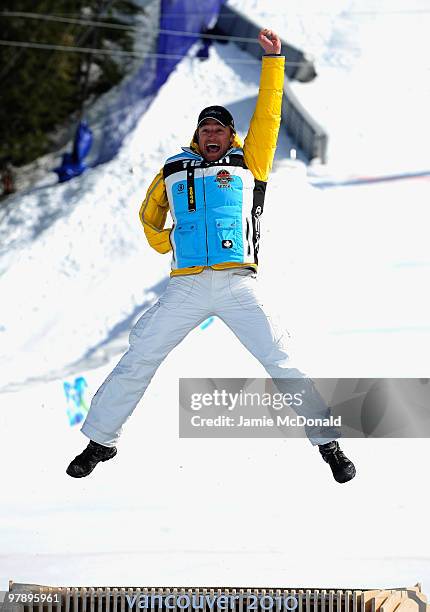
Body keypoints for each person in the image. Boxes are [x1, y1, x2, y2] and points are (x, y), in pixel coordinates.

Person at [67, 28, 356, 483]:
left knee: (281, 360)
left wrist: (274, 61)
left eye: (220, 128)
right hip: (186, 286)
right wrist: (167, 243)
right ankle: (101, 442)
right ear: (197, 135)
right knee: (140, 354)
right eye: (206, 128)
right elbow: (149, 215)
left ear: (231, 135)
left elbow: (270, 114)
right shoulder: (174, 169)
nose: (212, 134)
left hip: (239, 284)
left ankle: (329, 447)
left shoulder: (249, 163)